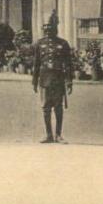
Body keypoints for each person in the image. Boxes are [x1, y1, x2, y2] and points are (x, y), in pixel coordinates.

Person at [32, 11, 74, 144]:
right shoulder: (39, 44)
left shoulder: (63, 43)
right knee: (45, 108)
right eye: (45, 27)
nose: (47, 29)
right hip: (44, 79)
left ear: (55, 28)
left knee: (58, 107)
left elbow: (68, 64)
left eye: (50, 27)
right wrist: (34, 81)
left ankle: (58, 135)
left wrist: (69, 81)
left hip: (58, 79)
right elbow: (36, 63)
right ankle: (48, 135)